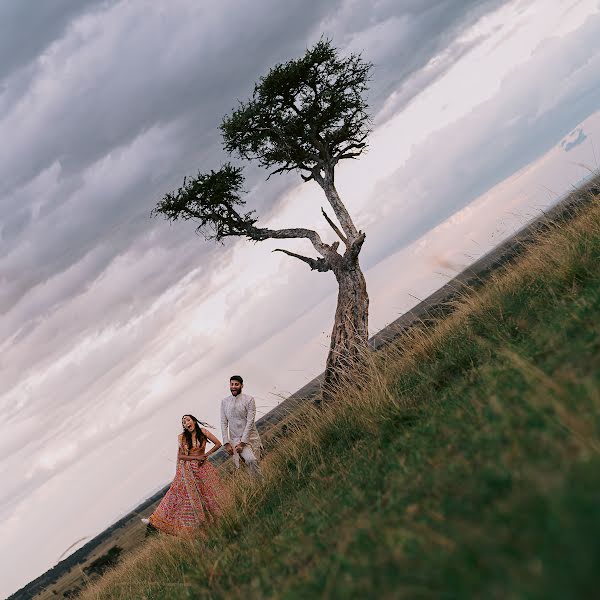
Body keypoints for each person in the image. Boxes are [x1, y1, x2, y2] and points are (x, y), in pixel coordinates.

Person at [141, 414, 224, 535]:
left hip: (203, 468)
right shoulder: (183, 438)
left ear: (194, 421)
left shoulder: (204, 432)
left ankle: (217, 523)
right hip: (189, 470)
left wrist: (206, 455)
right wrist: (195, 457)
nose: (186, 422)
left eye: (188, 420)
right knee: (178, 494)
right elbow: (180, 456)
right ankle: (155, 520)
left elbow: (218, 444)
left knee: (208, 496)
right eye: (184, 422)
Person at [220, 375, 262, 477]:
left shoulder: (249, 400)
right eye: (232, 384)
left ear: (242, 386)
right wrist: (226, 443)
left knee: (255, 463)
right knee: (251, 460)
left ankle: (260, 488)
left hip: (251, 437)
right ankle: (262, 483)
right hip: (236, 440)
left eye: (236, 384)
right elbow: (223, 423)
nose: (233, 387)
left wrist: (243, 442)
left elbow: (250, 422)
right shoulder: (224, 402)